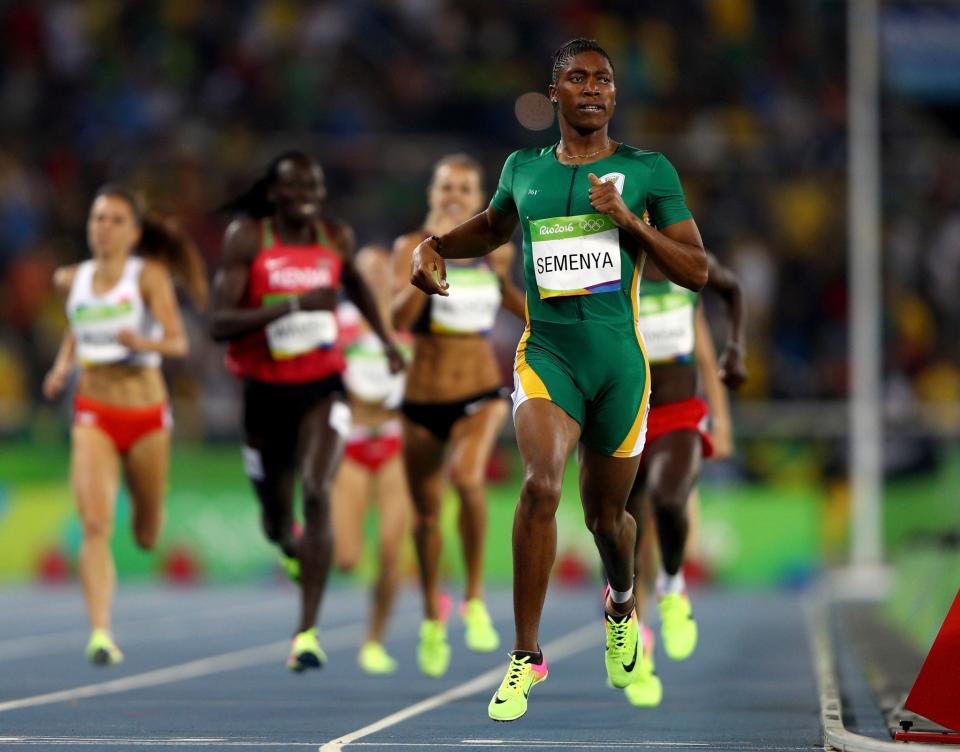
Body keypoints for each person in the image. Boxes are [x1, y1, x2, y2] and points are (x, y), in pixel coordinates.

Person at [409, 39, 708, 721]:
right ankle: (526, 655)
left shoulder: (649, 169)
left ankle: (622, 606)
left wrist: (630, 220)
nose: (594, 88)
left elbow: (695, 270)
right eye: (577, 78)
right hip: (547, 355)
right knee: (541, 483)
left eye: (603, 78)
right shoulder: (522, 168)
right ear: (554, 94)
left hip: (620, 369)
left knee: (608, 521)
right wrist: (433, 245)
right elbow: (490, 226)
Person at [209, 151, 403, 672]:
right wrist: (293, 305)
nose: (306, 194)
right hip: (264, 394)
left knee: (317, 488)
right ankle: (285, 540)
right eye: (294, 186)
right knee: (277, 519)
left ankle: (305, 633)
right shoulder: (248, 238)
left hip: (321, 387)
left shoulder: (335, 237)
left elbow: (358, 288)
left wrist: (385, 340)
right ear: (274, 193)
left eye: (313, 185)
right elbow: (219, 322)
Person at [42, 185, 208, 665]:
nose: (104, 227)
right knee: (94, 523)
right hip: (94, 410)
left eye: (116, 220)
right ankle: (100, 632)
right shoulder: (68, 278)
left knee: (147, 534)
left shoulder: (148, 277)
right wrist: (61, 366)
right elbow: (78, 325)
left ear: (134, 232)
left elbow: (178, 343)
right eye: (97, 218)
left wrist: (143, 342)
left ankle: (147, 521)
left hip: (146, 414)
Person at [393, 153, 525, 677]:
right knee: (426, 518)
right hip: (421, 398)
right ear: (432, 192)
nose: (454, 194)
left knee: (467, 478)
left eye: (465, 188)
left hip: (479, 392)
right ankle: (431, 614)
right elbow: (395, 321)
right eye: (446, 185)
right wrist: (416, 281)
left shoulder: (495, 254)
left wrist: (555, 317)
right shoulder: (409, 247)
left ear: (479, 200)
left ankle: (473, 598)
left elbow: (511, 298)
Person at [620, 255, 747, 707]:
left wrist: (723, 419)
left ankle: (673, 587)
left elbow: (705, 348)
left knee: (669, 501)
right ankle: (639, 651)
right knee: (628, 549)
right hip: (627, 415)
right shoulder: (615, 267)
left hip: (678, 415)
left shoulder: (687, 270)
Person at [331, 244, 411, 676]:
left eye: (383, 270)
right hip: (354, 442)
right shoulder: (340, 324)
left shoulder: (408, 321)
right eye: (366, 272)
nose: (376, 278)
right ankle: (315, 532)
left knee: (390, 550)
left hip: (395, 441)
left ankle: (374, 640)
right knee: (346, 559)